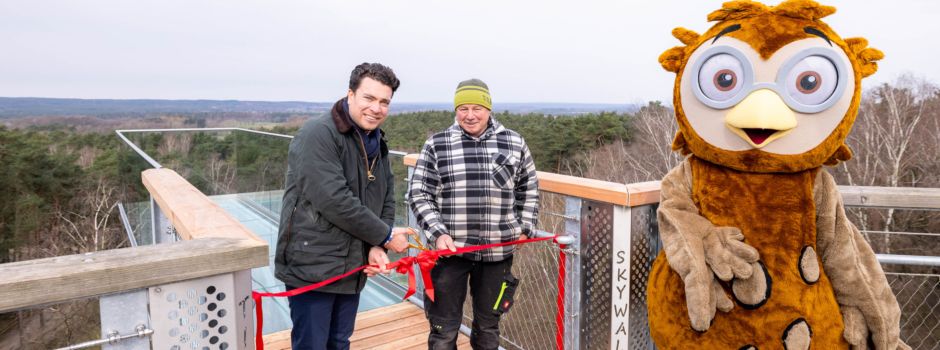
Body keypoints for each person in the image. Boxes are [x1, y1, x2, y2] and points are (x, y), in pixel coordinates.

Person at [274, 62, 411, 350]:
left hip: (352, 265)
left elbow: (386, 197)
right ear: (350, 95)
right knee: (312, 344)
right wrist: (385, 236)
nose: (376, 108)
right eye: (369, 98)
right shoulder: (318, 134)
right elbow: (334, 200)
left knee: (339, 341)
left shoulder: (377, 143)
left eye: (384, 102)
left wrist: (377, 247)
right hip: (314, 264)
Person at [408, 78, 539, 349]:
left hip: (497, 254)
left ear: (489, 108)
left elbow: (529, 189)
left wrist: (525, 226)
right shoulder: (437, 144)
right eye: (463, 108)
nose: (469, 115)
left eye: (476, 108)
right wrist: (438, 232)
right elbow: (420, 193)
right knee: (443, 331)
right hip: (450, 253)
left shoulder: (513, 142)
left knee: (488, 330)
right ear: (455, 110)